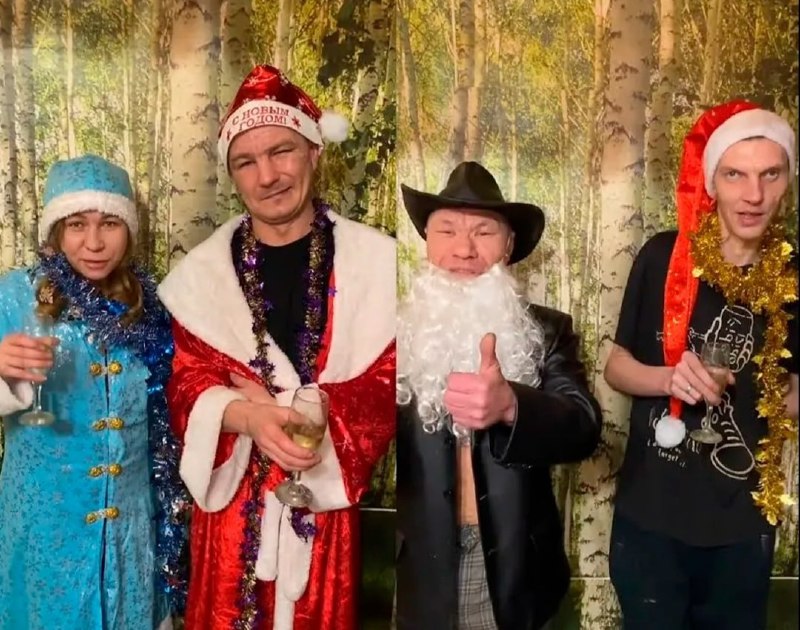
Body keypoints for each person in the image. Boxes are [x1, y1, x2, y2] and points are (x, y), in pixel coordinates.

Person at [157, 64, 396, 630]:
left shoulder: (377, 265)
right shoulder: (202, 277)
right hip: (230, 514)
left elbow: (388, 383)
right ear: (232, 175)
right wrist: (245, 416)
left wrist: (307, 411)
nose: (267, 176)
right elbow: (185, 382)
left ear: (314, 151)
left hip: (321, 505)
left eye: (281, 152)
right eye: (246, 161)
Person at [604, 101, 799, 629]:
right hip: (650, 519)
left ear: (787, 181)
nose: (753, 194)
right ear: (711, 181)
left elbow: (794, 397)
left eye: (770, 174)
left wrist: (771, 398)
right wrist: (669, 378)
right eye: (735, 174)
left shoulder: (793, 278)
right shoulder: (663, 256)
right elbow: (616, 367)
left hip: (743, 526)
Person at [395, 161, 603, 630]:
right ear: (426, 241)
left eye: (483, 232)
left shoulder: (548, 329)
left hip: (515, 569)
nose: (463, 249)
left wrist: (512, 405)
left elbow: (584, 428)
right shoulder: (395, 332)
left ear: (508, 246)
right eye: (447, 230)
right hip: (420, 567)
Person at [0, 154, 187, 629]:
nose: (94, 243)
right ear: (55, 230)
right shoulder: (15, 294)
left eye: (110, 223)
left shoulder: (152, 306)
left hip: (129, 533)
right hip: (45, 533)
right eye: (77, 225)